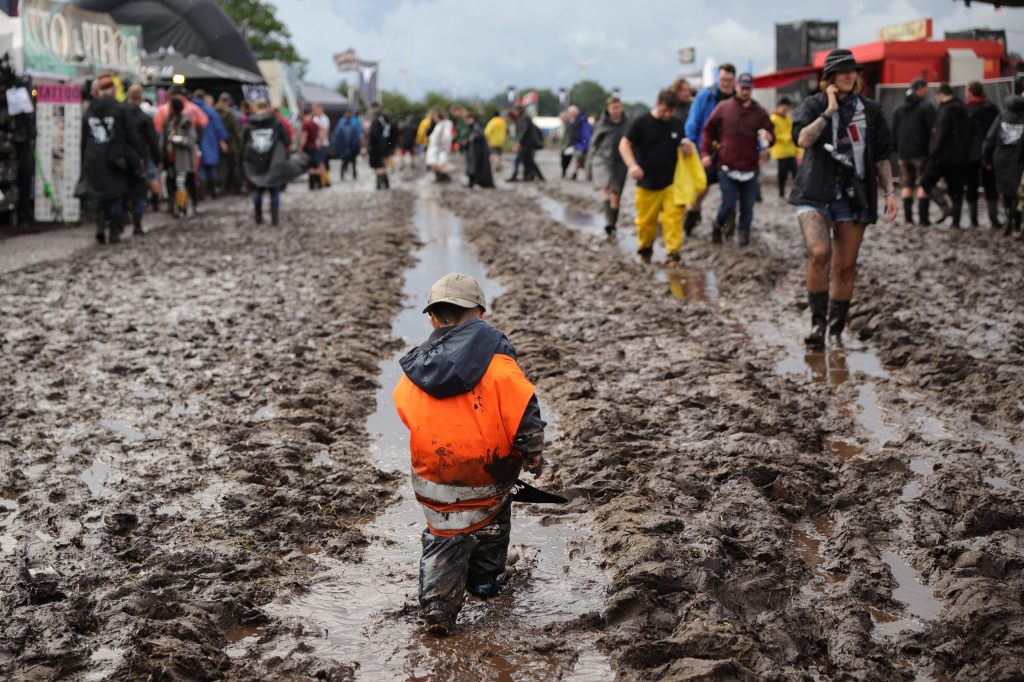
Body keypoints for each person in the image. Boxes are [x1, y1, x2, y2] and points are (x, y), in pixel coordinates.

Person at [392, 273, 546, 637]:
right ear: (480, 312)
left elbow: (404, 408)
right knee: (491, 524)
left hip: (435, 472)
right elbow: (524, 409)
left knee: (443, 534)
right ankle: (485, 584)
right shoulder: (499, 363)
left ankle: (438, 608)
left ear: (432, 318)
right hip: (489, 471)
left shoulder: (416, 368)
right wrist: (532, 452)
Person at [789, 48, 898, 348]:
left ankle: (836, 330)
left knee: (845, 266)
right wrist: (829, 112)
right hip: (813, 192)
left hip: (854, 195)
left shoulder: (871, 110)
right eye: (844, 70)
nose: (851, 75)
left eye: (854, 70)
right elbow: (803, 140)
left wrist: (890, 191)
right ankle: (816, 326)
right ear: (830, 78)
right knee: (820, 253)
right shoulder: (813, 104)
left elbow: (882, 155)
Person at [701, 73, 775, 247]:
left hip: (750, 167)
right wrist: (705, 153)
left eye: (748, 88)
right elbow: (708, 131)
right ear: (736, 87)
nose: (745, 91)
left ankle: (743, 239)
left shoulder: (759, 112)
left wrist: (764, 144)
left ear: (752, 88)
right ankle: (718, 226)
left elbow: (771, 138)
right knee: (728, 203)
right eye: (742, 87)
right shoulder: (724, 107)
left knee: (748, 207)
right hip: (727, 166)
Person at [619, 90, 692, 263]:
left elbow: (683, 144)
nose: (667, 115)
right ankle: (645, 249)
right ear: (657, 104)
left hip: (672, 183)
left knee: (673, 219)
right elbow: (624, 144)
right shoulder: (641, 123)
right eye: (664, 110)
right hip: (647, 183)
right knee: (646, 222)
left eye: (671, 111)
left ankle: (673, 254)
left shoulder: (677, 124)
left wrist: (687, 148)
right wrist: (632, 165)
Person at [81, 73, 140, 244]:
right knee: (115, 195)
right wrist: (137, 156)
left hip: (93, 158)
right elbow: (131, 136)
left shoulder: (90, 109)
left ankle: (100, 225)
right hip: (115, 159)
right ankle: (114, 230)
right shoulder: (120, 109)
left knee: (100, 195)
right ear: (113, 90)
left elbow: (84, 138)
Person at [684, 64, 736, 236]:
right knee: (701, 190)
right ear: (717, 78)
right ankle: (689, 223)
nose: (726, 83)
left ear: (733, 80)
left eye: (729, 80)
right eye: (723, 79)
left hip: (730, 154)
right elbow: (693, 122)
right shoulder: (706, 96)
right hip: (705, 150)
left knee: (730, 193)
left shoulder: (738, 98)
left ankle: (727, 227)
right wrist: (692, 147)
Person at [242, 99, 305, 225]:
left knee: (257, 190)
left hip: (255, 163)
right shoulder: (276, 123)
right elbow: (286, 141)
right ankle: (274, 218)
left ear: (255, 108)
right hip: (273, 162)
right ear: (268, 107)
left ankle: (258, 217)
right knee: (274, 190)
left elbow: (243, 145)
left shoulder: (248, 125)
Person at [919, 84, 972, 228]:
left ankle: (943, 205)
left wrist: (934, 153)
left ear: (941, 94)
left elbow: (940, 133)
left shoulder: (944, 109)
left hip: (942, 157)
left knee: (925, 182)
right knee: (957, 191)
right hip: (960, 157)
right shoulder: (964, 108)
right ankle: (956, 222)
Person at [983, 83, 1024, 237]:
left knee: (1006, 191)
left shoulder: (1003, 114)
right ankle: (1016, 224)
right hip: (1018, 160)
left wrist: (986, 158)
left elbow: (990, 138)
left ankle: (1009, 220)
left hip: (1000, 158)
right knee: (1017, 193)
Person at [893, 78, 936, 225]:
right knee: (923, 185)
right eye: (926, 87)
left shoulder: (900, 109)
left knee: (907, 185)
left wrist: (898, 149)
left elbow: (894, 131)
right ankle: (923, 220)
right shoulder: (926, 107)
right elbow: (932, 130)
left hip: (904, 153)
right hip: (921, 153)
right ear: (920, 89)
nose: (928, 90)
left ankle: (908, 218)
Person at [588, 95, 629, 235]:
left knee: (616, 192)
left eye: (618, 107)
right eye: (613, 108)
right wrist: (588, 164)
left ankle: (613, 221)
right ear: (608, 109)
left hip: (621, 162)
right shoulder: (602, 124)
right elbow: (593, 144)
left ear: (622, 108)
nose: (616, 110)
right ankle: (608, 221)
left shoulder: (628, 124)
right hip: (603, 159)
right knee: (606, 187)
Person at [124, 84, 161, 236]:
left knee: (125, 190)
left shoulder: (121, 115)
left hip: (122, 160)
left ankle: (124, 219)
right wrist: (157, 160)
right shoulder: (145, 118)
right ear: (141, 99)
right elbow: (152, 141)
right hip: (140, 159)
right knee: (140, 193)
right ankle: (137, 223)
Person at [965, 81, 1002, 228]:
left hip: (971, 154)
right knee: (990, 185)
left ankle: (973, 220)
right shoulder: (991, 108)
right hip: (989, 152)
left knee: (971, 185)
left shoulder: (966, 109)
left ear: (971, 92)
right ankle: (994, 219)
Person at [161, 97, 199, 218]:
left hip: (182, 159)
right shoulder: (168, 122)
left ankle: (183, 207)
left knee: (181, 183)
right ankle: (174, 207)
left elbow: (191, 140)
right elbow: (162, 140)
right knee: (171, 183)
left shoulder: (186, 122)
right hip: (169, 159)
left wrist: (176, 139)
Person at [191, 89, 228, 200]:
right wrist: (222, 140)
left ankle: (201, 193)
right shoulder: (210, 111)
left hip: (195, 142)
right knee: (211, 168)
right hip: (210, 142)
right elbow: (218, 127)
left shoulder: (190, 110)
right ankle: (212, 192)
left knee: (199, 169)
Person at [770, 97, 799, 199]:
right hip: (780, 151)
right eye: (784, 107)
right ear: (779, 106)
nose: (786, 109)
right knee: (782, 173)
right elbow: (773, 135)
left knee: (796, 173)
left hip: (791, 150)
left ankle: (796, 192)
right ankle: (781, 191)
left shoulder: (788, 118)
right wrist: (787, 138)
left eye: (787, 107)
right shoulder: (773, 119)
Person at [216, 93, 244, 195]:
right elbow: (236, 131)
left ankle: (223, 188)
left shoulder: (215, 112)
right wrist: (241, 145)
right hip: (231, 145)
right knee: (233, 168)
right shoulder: (230, 114)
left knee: (222, 167)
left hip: (218, 145)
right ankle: (235, 189)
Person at [510, 106, 545, 182]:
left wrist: (519, 142)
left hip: (528, 144)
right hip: (526, 144)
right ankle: (529, 176)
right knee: (527, 161)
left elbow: (523, 131)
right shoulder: (522, 118)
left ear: (519, 110)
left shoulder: (525, 119)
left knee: (527, 160)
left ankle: (535, 176)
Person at [367, 102, 395, 190]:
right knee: (382, 165)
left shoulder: (376, 119)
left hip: (377, 147)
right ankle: (386, 185)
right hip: (386, 146)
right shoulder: (386, 118)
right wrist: (391, 145)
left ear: (374, 108)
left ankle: (379, 186)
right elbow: (394, 131)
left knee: (378, 166)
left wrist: (369, 146)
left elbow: (373, 134)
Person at [464, 110, 494, 188]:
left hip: (477, 152)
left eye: (468, 119)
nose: (467, 121)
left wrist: (472, 138)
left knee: (475, 168)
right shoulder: (475, 126)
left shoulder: (477, 126)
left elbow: (478, 136)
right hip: (476, 152)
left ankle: (474, 182)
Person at [331, 110, 362, 181]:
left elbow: (336, 138)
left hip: (344, 149)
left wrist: (338, 149)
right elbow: (357, 136)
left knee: (344, 162)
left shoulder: (340, 125)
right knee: (353, 163)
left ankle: (342, 176)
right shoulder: (354, 124)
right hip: (352, 148)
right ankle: (354, 175)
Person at [426, 108, 454, 183]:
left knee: (437, 164)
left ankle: (444, 178)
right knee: (433, 164)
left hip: (439, 148)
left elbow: (447, 137)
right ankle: (439, 178)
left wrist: (443, 146)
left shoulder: (445, 124)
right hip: (436, 147)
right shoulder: (440, 124)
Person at [300, 104, 324, 190]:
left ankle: (312, 184)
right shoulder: (315, 124)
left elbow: (304, 138)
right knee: (316, 165)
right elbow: (320, 135)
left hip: (308, 148)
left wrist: (300, 148)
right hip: (315, 147)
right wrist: (319, 144)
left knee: (310, 167)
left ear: (304, 114)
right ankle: (319, 183)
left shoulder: (306, 125)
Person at [312, 102, 332, 185]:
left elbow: (324, 131)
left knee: (322, 162)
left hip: (322, 144)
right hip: (316, 144)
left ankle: (324, 181)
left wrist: (320, 142)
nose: (314, 111)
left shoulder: (325, 119)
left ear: (320, 109)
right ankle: (320, 180)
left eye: (315, 109)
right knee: (318, 163)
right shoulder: (315, 119)